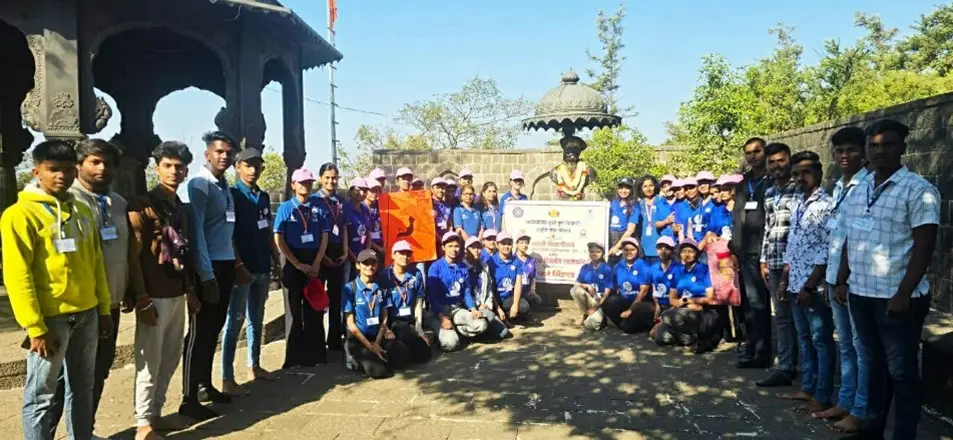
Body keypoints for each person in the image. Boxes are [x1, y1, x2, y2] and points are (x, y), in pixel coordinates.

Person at [835, 119, 939, 440]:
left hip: (897, 298)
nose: (879, 151)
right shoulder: (860, 189)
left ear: (903, 147)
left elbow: (924, 247)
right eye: (874, 145)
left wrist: (903, 293)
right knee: (874, 367)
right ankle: (873, 430)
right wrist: (842, 280)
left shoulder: (919, 190)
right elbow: (851, 238)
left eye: (888, 144)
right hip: (861, 293)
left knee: (901, 371)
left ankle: (904, 435)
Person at [2, 140, 111, 440]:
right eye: (52, 169)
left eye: (67, 169)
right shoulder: (20, 215)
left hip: (87, 314)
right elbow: (17, 274)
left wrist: (103, 309)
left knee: (83, 388)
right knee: (42, 395)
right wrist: (35, 326)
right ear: (36, 172)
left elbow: (96, 264)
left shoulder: (82, 211)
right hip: (50, 320)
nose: (61, 176)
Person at [46, 139, 133, 439]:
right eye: (95, 161)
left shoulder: (118, 203)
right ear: (79, 165)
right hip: (77, 306)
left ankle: (83, 432)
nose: (102, 168)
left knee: (97, 372)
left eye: (107, 163)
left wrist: (129, 287)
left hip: (110, 303)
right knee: (60, 381)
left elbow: (123, 249)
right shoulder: (66, 201)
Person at [127, 141, 198, 437]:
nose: (174, 172)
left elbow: (185, 251)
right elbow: (133, 255)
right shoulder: (142, 206)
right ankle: (143, 422)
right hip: (153, 294)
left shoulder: (180, 207)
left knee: (170, 357)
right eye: (167, 166)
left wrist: (190, 290)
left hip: (176, 290)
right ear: (157, 169)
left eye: (179, 167)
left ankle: (156, 413)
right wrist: (141, 298)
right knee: (149, 360)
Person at [814, 127, 870, 433]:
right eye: (840, 151)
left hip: (855, 278)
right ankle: (845, 401)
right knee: (846, 344)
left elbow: (857, 237)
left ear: (863, 152)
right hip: (835, 276)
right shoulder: (839, 186)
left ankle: (861, 409)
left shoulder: (868, 185)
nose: (845, 156)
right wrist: (830, 279)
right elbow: (835, 235)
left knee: (861, 347)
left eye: (851, 150)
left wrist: (843, 278)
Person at [179, 131, 238, 418]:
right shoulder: (200, 184)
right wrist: (205, 275)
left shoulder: (224, 185)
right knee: (199, 332)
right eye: (219, 152)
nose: (224, 156)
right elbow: (197, 233)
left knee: (214, 328)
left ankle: (205, 385)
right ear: (207, 155)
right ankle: (188, 397)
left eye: (228, 152)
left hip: (226, 264)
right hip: (209, 267)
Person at [776, 151, 836, 416]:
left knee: (821, 339)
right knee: (804, 338)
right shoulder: (798, 203)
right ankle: (808, 387)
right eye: (796, 174)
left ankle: (822, 395)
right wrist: (785, 279)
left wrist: (810, 286)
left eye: (806, 172)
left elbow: (827, 249)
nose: (801, 178)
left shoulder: (827, 205)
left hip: (814, 286)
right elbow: (793, 245)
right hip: (794, 283)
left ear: (819, 173)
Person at [220, 147, 281, 397]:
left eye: (257, 166)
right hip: (242, 269)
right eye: (248, 165)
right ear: (238, 167)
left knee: (257, 319)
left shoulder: (263, 197)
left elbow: (267, 231)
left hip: (262, 266)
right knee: (234, 322)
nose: (253, 170)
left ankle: (254, 365)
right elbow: (228, 234)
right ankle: (226, 377)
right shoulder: (232, 196)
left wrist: (276, 260)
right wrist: (238, 265)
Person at [753, 142, 799, 387]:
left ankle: (807, 369)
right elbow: (768, 227)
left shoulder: (799, 189)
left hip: (797, 264)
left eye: (781, 161)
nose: (776, 166)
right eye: (771, 162)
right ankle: (785, 366)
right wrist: (763, 259)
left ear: (789, 160)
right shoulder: (770, 193)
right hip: (774, 261)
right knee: (781, 317)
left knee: (802, 318)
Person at [274, 168, 330, 369]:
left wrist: (316, 263)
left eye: (309, 182)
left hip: (314, 260)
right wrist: (296, 263)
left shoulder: (319, 208)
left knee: (314, 309)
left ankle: (316, 355)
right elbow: (278, 238)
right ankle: (294, 358)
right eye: (302, 182)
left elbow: (324, 237)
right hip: (293, 261)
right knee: (294, 311)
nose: (305, 186)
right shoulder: (285, 208)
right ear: (293, 184)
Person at [730, 138, 772, 369]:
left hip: (767, 251)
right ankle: (755, 348)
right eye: (748, 153)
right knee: (752, 304)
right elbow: (737, 217)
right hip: (746, 252)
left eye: (757, 151)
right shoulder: (744, 183)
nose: (752, 156)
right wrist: (735, 250)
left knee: (769, 306)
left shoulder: (773, 179)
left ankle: (769, 352)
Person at [344, 249, 410, 378]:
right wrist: (370, 346)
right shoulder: (350, 288)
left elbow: (384, 317)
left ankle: (379, 355)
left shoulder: (380, 287)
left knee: (404, 354)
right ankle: (355, 359)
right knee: (380, 372)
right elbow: (351, 324)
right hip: (359, 338)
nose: (370, 267)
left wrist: (377, 342)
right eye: (365, 263)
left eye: (373, 263)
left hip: (377, 336)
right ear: (358, 265)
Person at [652, 238, 721, 353]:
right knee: (661, 338)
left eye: (690, 251)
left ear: (697, 254)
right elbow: (672, 299)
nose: (687, 254)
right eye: (683, 251)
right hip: (684, 309)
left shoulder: (704, 270)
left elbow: (710, 298)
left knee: (668, 315)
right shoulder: (677, 271)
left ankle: (693, 341)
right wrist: (686, 304)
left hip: (703, 311)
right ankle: (688, 337)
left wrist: (689, 301)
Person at [426, 232, 489, 351]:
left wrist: (473, 309)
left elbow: (466, 292)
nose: (453, 249)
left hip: (457, 309)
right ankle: (443, 334)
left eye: (456, 246)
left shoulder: (463, 267)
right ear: (443, 247)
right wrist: (442, 317)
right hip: (439, 311)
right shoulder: (435, 267)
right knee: (451, 344)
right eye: (450, 246)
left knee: (481, 324)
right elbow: (432, 296)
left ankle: (458, 331)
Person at [316, 163, 349, 351]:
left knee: (336, 297)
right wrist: (321, 257)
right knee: (319, 298)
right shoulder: (314, 200)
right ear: (321, 179)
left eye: (334, 178)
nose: (331, 181)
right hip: (320, 254)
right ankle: (317, 342)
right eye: (327, 178)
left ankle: (334, 340)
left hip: (337, 253)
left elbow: (343, 228)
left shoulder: (341, 202)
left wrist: (344, 251)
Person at [384, 241, 432, 363]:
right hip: (392, 322)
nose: (405, 257)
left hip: (409, 321)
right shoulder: (384, 275)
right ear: (393, 255)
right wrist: (384, 328)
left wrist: (419, 328)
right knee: (402, 338)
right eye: (401, 253)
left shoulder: (416, 274)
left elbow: (418, 303)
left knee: (425, 354)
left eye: (408, 254)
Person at [463, 237, 512, 338]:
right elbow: (463, 293)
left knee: (504, 332)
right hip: (467, 307)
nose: (476, 250)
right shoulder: (461, 267)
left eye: (478, 248)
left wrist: (487, 304)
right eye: (473, 248)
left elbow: (489, 289)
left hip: (483, 305)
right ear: (466, 250)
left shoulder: (484, 266)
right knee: (486, 320)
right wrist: (476, 306)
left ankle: (482, 331)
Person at [602, 238, 653, 333]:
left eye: (632, 250)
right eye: (626, 250)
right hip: (625, 300)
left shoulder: (644, 266)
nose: (629, 252)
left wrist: (630, 310)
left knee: (629, 328)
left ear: (638, 251)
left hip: (639, 303)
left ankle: (635, 324)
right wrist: (599, 304)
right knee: (609, 302)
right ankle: (622, 322)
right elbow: (610, 286)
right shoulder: (618, 266)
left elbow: (643, 292)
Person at [490, 231, 542, 320]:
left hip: (509, 297)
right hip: (495, 299)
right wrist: (497, 308)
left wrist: (515, 304)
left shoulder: (516, 261)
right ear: (497, 245)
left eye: (509, 244)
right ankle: (501, 315)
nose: (506, 246)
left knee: (524, 306)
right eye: (503, 244)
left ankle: (510, 316)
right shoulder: (491, 262)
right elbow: (489, 289)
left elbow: (518, 284)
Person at [570, 243, 615, 330]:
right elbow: (576, 283)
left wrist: (594, 309)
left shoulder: (607, 269)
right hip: (590, 299)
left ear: (602, 253)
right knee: (575, 290)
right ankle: (584, 315)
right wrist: (586, 285)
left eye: (598, 252)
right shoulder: (585, 267)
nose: (594, 254)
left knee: (592, 325)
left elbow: (606, 294)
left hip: (601, 301)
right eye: (592, 252)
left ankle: (602, 317)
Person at [641, 236, 678, 323]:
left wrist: (670, 310)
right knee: (640, 309)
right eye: (660, 247)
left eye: (667, 248)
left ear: (672, 250)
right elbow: (654, 288)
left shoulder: (679, 268)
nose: (663, 251)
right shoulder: (653, 267)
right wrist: (657, 305)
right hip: (659, 304)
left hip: (674, 306)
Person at [343, 177, 371, 282]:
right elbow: (343, 236)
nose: (362, 193)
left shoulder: (365, 210)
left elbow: (367, 233)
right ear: (351, 191)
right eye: (359, 189)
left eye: (365, 190)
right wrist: (354, 258)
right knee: (347, 283)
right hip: (348, 256)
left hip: (362, 255)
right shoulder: (344, 209)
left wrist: (366, 255)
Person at [607, 177, 640, 266]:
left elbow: (630, 230)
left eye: (627, 188)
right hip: (611, 238)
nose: (623, 191)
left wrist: (616, 247)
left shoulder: (635, 206)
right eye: (621, 188)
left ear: (631, 190)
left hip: (625, 240)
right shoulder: (613, 203)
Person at [672, 178, 710, 245]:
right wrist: (683, 246)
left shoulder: (705, 203)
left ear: (697, 187)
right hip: (686, 243)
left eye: (692, 187)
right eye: (686, 189)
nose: (689, 191)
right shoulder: (680, 206)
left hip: (705, 242)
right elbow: (680, 228)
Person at [515, 232, 540, 307]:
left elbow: (533, 277)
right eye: (521, 242)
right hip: (514, 292)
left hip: (527, 291)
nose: (524, 245)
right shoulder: (512, 258)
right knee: (524, 306)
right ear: (516, 244)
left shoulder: (531, 260)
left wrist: (533, 290)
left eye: (526, 242)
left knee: (537, 300)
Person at [364, 178, 385, 256]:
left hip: (381, 244)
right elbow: (363, 236)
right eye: (372, 190)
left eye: (377, 190)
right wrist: (378, 248)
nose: (375, 193)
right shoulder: (361, 208)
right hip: (368, 247)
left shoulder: (380, 206)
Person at [431, 177, 452, 244]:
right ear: (432, 189)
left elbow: (449, 224)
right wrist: (440, 240)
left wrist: (449, 239)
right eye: (438, 188)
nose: (440, 190)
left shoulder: (447, 206)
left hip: (445, 241)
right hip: (432, 240)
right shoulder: (428, 205)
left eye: (443, 188)